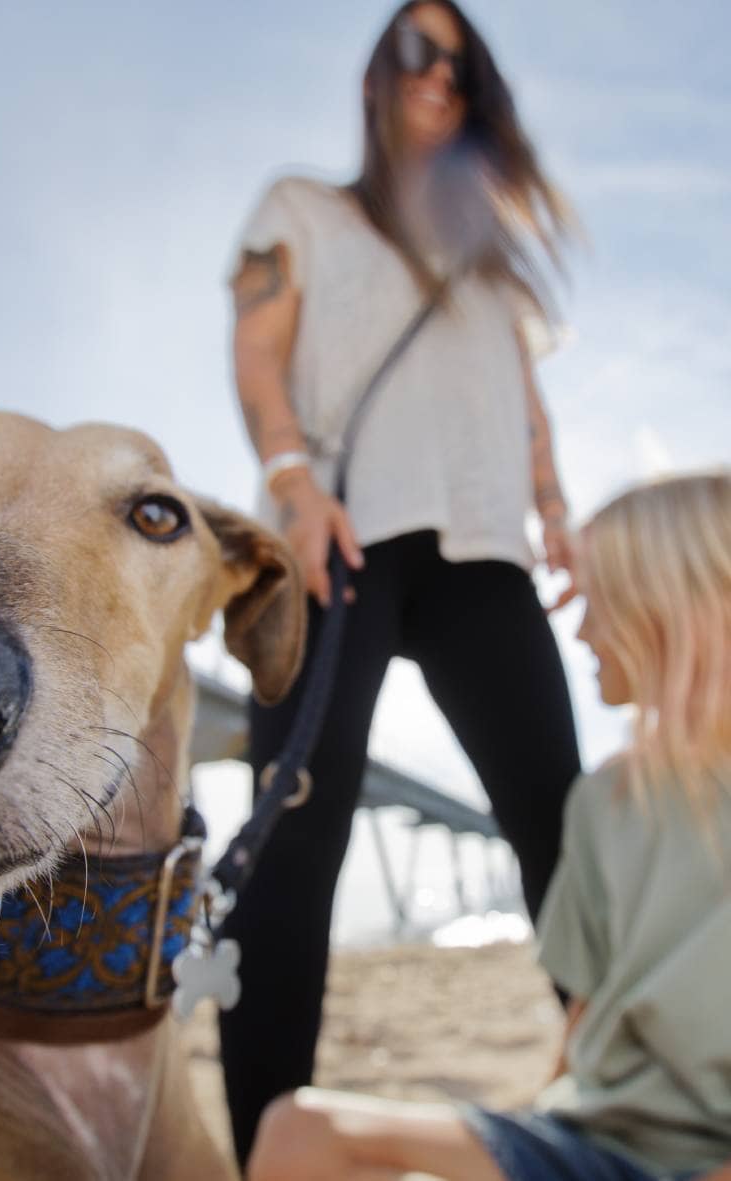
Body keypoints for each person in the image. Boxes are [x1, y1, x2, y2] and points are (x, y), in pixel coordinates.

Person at [220, 0, 581, 1164]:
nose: (442, 76)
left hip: (486, 552)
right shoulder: (303, 211)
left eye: (464, 63)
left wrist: (559, 513)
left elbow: (527, 411)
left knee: (561, 830)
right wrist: (288, 482)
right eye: (420, 51)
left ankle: (631, 1084)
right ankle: (267, 1135)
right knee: (293, 836)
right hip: (345, 539)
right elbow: (256, 349)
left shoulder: (491, 267)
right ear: (379, 74)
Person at [246, 470, 731, 1181]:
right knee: (298, 1131)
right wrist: (528, 1127)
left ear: (663, 605)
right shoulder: (604, 800)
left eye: (598, 603)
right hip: (593, 1144)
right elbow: (585, 1016)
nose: (584, 629)